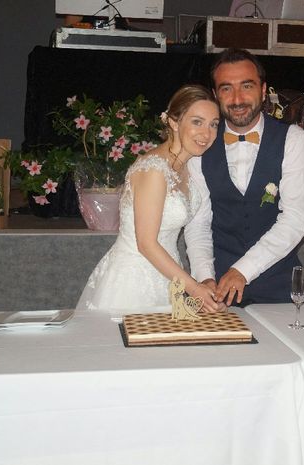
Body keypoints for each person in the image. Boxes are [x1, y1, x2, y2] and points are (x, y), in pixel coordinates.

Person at [76, 84, 222, 318]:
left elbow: (199, 228)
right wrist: (194, 288)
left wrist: (203, 282)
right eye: (197, 122)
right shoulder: (153, 169)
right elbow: (146, 244)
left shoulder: (190, 166)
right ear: (174, 122)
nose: (207, 133)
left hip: (169, 277)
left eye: (213, 124)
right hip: (134, 282)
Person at [184, 48, 304, 306]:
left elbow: (295, 219)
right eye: (226, 88)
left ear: (263, 91)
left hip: (279, 286)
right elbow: (198, 223)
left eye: (246, 86)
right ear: (215, 95)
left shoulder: (293, 139)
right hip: (217, 290)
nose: (237, 99)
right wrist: (204, 277)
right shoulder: (201, 144)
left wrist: (243, 270)